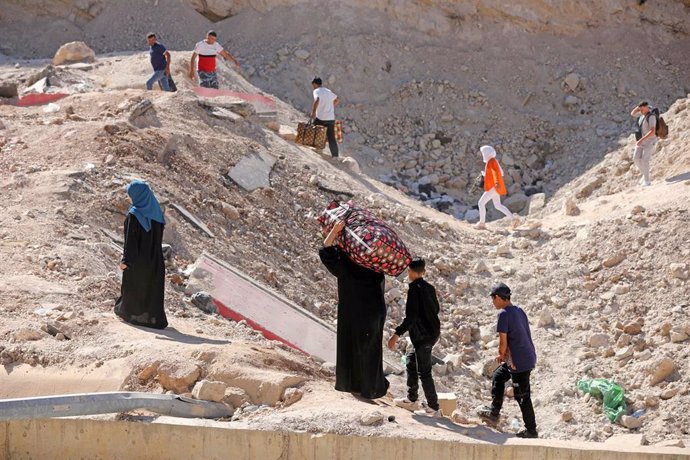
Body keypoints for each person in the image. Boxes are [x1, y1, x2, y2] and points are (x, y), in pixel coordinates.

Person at [319, 220, 389, 399]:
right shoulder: (374, 265)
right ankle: (371, 388)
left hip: (353, 312)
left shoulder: (345, 264)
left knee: (351, 348)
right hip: (374, 312)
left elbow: (326, 250)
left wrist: (335, 231)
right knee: (370, 350)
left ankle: (354, 385)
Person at [477, 283, 538, 438]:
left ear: (498, 297)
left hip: (519, 362)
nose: (492, 302)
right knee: (499, 377)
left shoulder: (503, 314)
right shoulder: (519, 311)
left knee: (522, 396)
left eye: (493, 298)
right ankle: (494, 413)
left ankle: (531, 430)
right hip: (525, 357)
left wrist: (501, 354)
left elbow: (503, 340)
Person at [387, 257, 442, 416]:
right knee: (411, 361)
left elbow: (410, 318)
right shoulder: (429, 288)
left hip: (423, 336)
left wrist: (396, 335)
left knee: (424, 372)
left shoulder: (413, 290)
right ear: (423, 272)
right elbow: (436, 309)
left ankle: (434, 407)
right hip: (431, 333)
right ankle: (412, 400)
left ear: (410, 272)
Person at [114, 180, 168, 329]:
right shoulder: (157, 214)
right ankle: (151, 319)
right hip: (155, 261)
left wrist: (126, 262)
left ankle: (131, 315)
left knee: (133, 288)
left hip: (137, 262)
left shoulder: (135, 215)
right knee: (151, 290)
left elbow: (131, 243)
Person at [476, 145, 517, 229]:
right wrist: (486, 174)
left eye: (483, 153)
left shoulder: (492, 161)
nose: (483, 154)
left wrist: (495, 181)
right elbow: (500, 172)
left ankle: (482, 223)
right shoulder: (493, 161)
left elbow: (498, 173)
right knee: (498, 205)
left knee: (481, 203)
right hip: (495, 186)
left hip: (493, 186)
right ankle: (514, 219)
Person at [310, 77, 340, 158]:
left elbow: (317, 100)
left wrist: (313, 113)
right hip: (330, 117)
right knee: (331, 137)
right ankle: (335, 156)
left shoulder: (316, 91)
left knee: (316, 131)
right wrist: (331, 106)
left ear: (315, 84)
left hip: (321, 117)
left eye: (313, 85)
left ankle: (318, 149)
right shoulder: (328, 91)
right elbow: (337, 99)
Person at [630, 101, 657, 186]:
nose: (640, 111)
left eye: (642, 109)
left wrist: (642, 139)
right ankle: (645, 174)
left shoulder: (651, 117)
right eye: (640, 109)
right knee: (636, 158)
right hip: (641, 141)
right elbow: (632, 113)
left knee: (645, 160)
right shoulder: (642, 115)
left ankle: (647, 181)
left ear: (647, 107)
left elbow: (653, 131)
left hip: (650, 141)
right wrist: (637, 108)